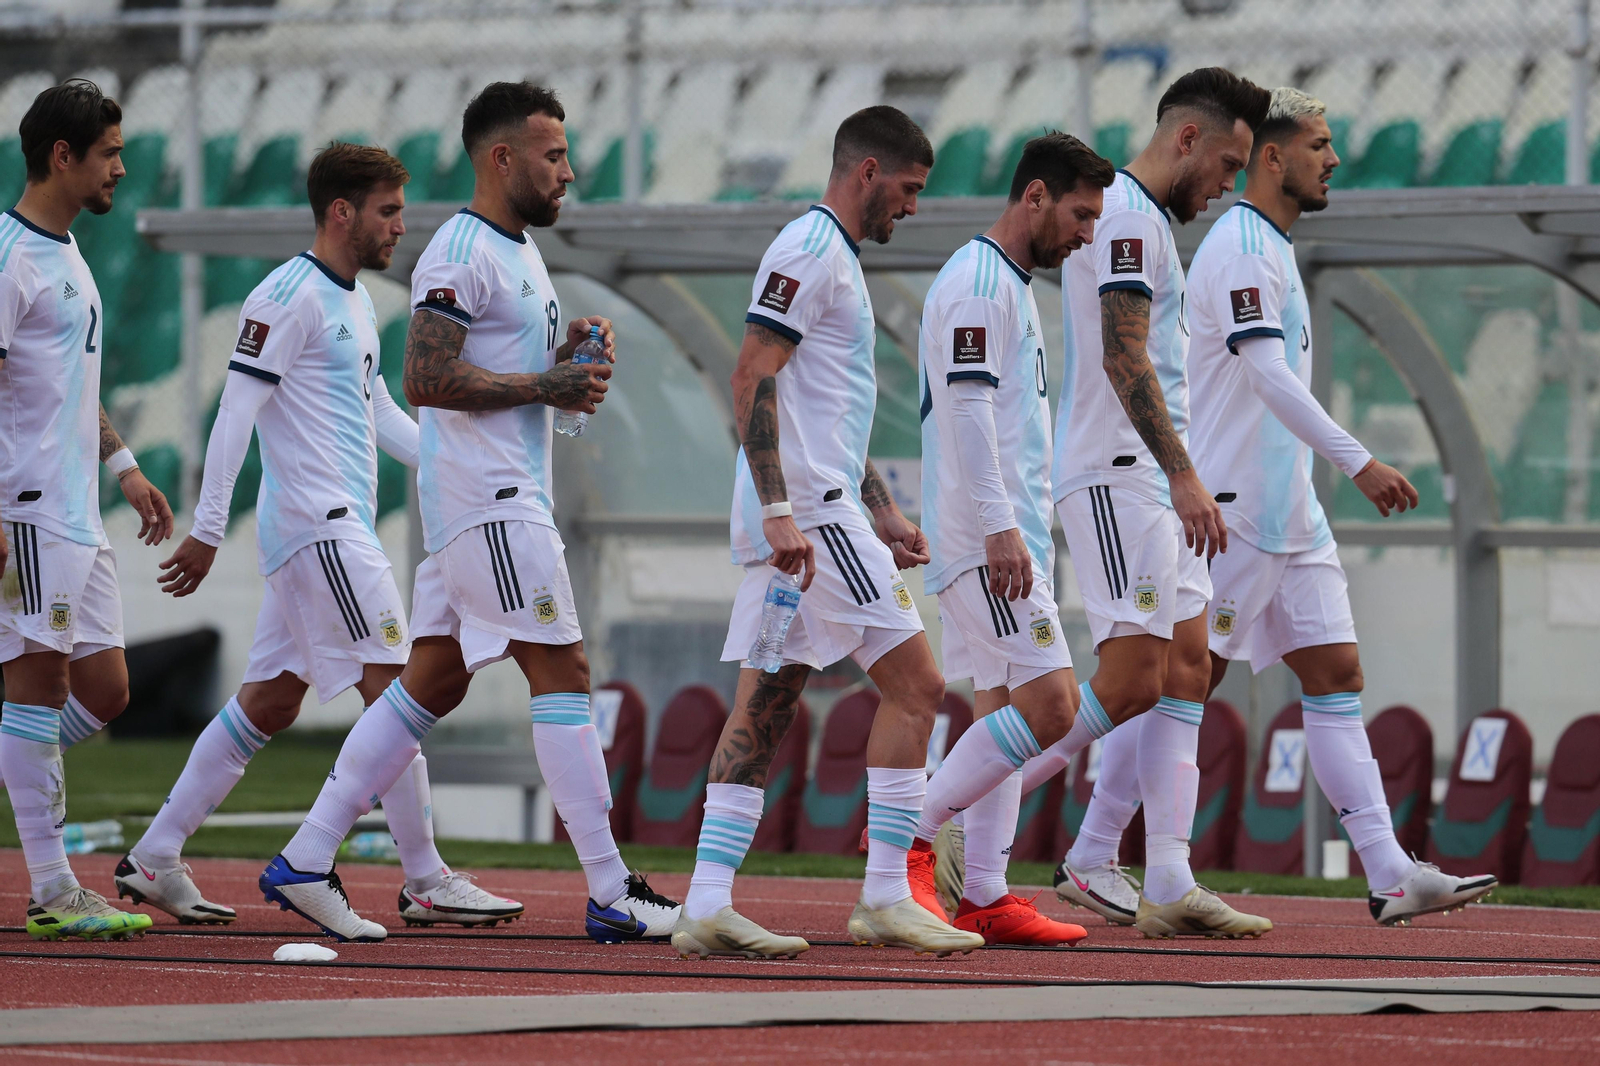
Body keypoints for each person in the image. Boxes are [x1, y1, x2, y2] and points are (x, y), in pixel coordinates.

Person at [258, 82, 680, 943]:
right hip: (491, 507)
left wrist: (566, 374)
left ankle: (305, 856)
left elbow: (507, 383)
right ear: (502, 158)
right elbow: (426, 377)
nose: (568, 171)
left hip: (481, 501)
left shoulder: (518, 253)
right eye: (553, 155)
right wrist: (544, 382)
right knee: (563, 675)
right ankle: (610, 889)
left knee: (433, 681)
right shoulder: (460, 248)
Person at [116, 142, 522, 931]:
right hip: (321, 528)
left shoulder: (359, 301)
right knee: (399, 687)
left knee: (269, 701)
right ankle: (424, 878)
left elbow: (376, 416)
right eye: (389, 211)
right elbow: (233, 415)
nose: (401, 226)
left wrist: (454, 461)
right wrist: (205, 532)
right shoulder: (284, 296)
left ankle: (155, 856)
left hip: (327, 530)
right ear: (342, 212)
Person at [670, 106, 984, 961]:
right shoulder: (810, 251)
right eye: (910, 190)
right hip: (807, 513)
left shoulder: (832, 256)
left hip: (817, 509)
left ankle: (705, 903)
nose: (913, 207)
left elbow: (824, 418)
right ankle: (886, 894)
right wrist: (780, 507)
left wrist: (881, 508)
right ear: (869, 171)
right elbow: (751, 374)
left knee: (765, 707)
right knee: (919, 686)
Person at [1186, 86, 1495, 924]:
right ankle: (1090, 848)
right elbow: (1265, 371)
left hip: (1291, 513)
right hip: (1236, 509)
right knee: (1180, 685)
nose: (1334, 160)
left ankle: (1389, 870)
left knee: (1335, 677)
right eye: (1319, 145)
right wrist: (1357, 461)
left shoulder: (1275, 247)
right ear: (1273, 158)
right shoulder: (1242, 246)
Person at [1022, 68, 1275, 938]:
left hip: (1155, 478)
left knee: (1189, 670)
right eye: (1230, 163)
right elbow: (1124, 359)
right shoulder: (1127, 215)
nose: (1231, 186)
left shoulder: (1146, 222)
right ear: (1188, 140)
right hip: (1119, 474)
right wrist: (1182, 475)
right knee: (1131, 678)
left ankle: (1158, 873)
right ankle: (956, 807)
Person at [908, 132, 1113, 946]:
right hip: (983, 537)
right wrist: (999, 530)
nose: (1089, 234)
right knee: (1053, 704)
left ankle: (986, 891)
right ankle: (907, 842)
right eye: (1080, 214)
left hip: (1006, 534)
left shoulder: (1008, 283)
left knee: (1001, 705)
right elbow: (964, 414)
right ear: (1035, 197)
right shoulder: (977, 284)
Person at [0, 79, 174, 940]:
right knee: (38, 688)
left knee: (105, 689)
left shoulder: (67, 254)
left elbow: (70, 388)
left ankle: (16, 765)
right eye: (108, 152)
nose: (121, 166)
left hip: (78, 511)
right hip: (26, 509)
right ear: (62, 156)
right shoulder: (10, 257)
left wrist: (127, 467)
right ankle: (51, 889)